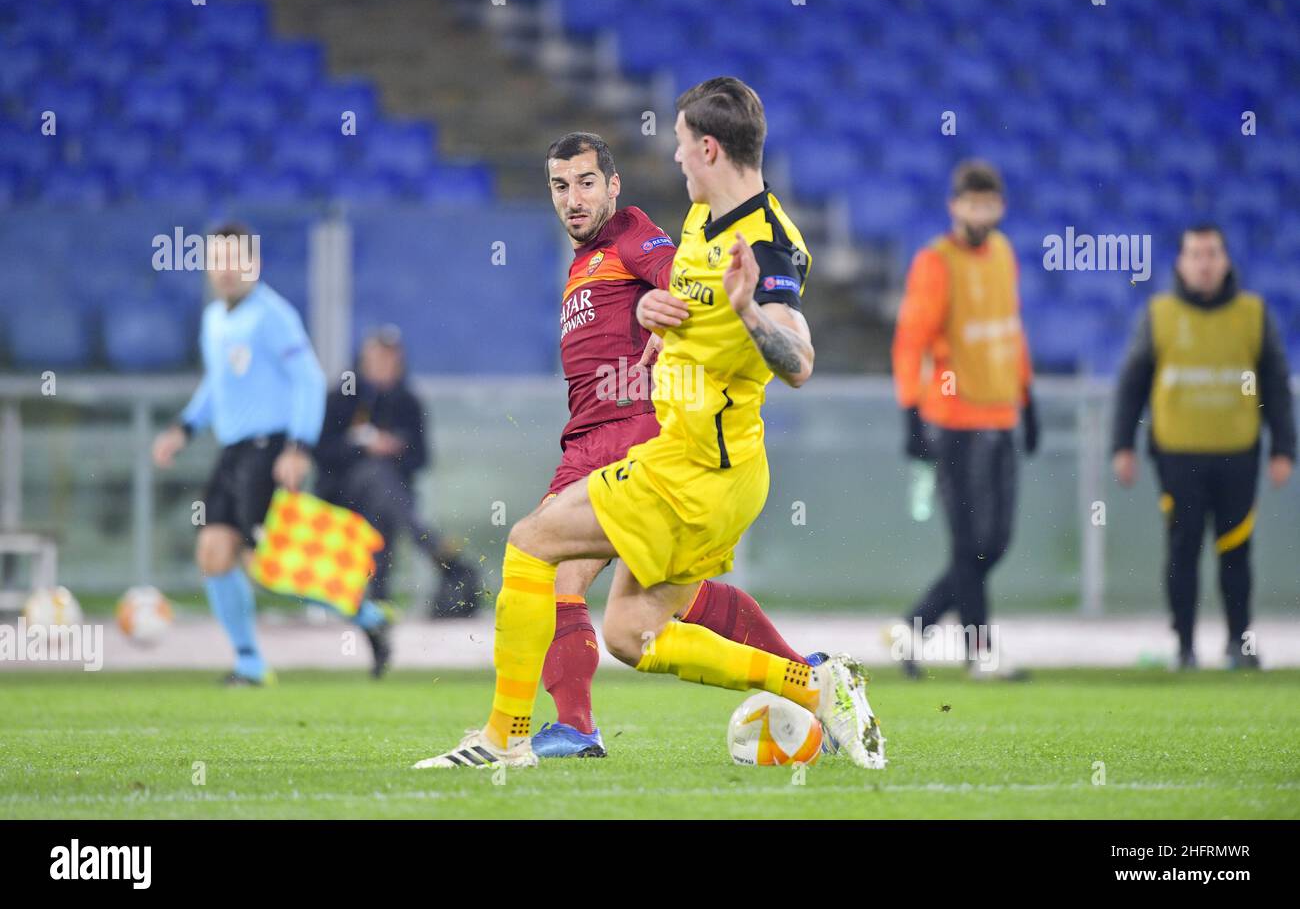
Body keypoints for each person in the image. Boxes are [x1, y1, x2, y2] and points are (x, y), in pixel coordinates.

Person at [415, 77, 885, 771]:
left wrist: (753, 313)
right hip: (704, 464)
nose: (671, 158)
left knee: (529, 546)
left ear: (707, 147)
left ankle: (505, 738)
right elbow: (689, 311)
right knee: (634, 634)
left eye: (676, 144)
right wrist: (656, 322)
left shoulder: (768, 244)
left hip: (697, 470)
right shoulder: (702, 222)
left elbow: (799, 359)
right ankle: (813, 682)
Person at [530, 132, 823, 759]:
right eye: (560, 185)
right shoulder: (585, 260)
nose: (574, 198)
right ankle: (808, 675)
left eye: (586, 182)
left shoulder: (633, 232)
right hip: (592, 435)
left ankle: (573, 729)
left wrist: (669, 307)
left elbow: (685, 282)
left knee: (553, 567)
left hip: (628, 431)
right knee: (669, 601)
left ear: (613, 186)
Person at [152, 222, 392, 683]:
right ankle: (250, 663)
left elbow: (307, 379)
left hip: (269, 450)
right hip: (232, 451)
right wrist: (183, 427)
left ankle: (369, 617)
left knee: (273, 565)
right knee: (213, 553)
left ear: (253, 264)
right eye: (216, 261)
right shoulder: (215, 319)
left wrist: (298, 447)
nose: (224, 270)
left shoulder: (272, 315)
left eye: (234, 260)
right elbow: (216, 384)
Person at [1111, 223, 1295, 669]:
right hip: (1177, 455)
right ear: (1181, 263)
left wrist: (1284, 447)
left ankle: (1238, 643)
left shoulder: (1253, 314)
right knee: (1182, 551)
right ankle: (1185, 648)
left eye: (1212, 253)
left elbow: (1275, 382)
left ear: (1225, 260)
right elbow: (1132, 383)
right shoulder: (1160, 314)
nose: (1205, 263)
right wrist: (1123, 444)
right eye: (1195, 254)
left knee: (1236, 550)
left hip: (1238, 452)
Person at [891, 160, 1037, 679]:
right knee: (970, 544)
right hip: (953, 421)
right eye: (972, 202)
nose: (981, 211)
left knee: (994, 543)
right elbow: (911, 340)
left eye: (989, 202)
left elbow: (1010, 329)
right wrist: (911, 413)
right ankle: (980, 655)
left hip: (1001, 416)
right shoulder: (936, 263)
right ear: (955, 207)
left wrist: (1027, 395)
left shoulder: (1003, 255)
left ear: (999, 206)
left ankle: (916, 625)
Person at [315, 325, 481, 624]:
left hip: (389, 495)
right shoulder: (341, 395)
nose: (384, 365)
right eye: (378, 357)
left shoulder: (408, 402)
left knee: (382, 493)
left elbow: (421, 458)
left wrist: (394, 450)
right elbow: (323, 453)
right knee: (378, 479)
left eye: (390, 358)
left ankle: (376, 602)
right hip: (341, 493)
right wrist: (363, 447)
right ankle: (435, 549)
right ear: (364, 359)